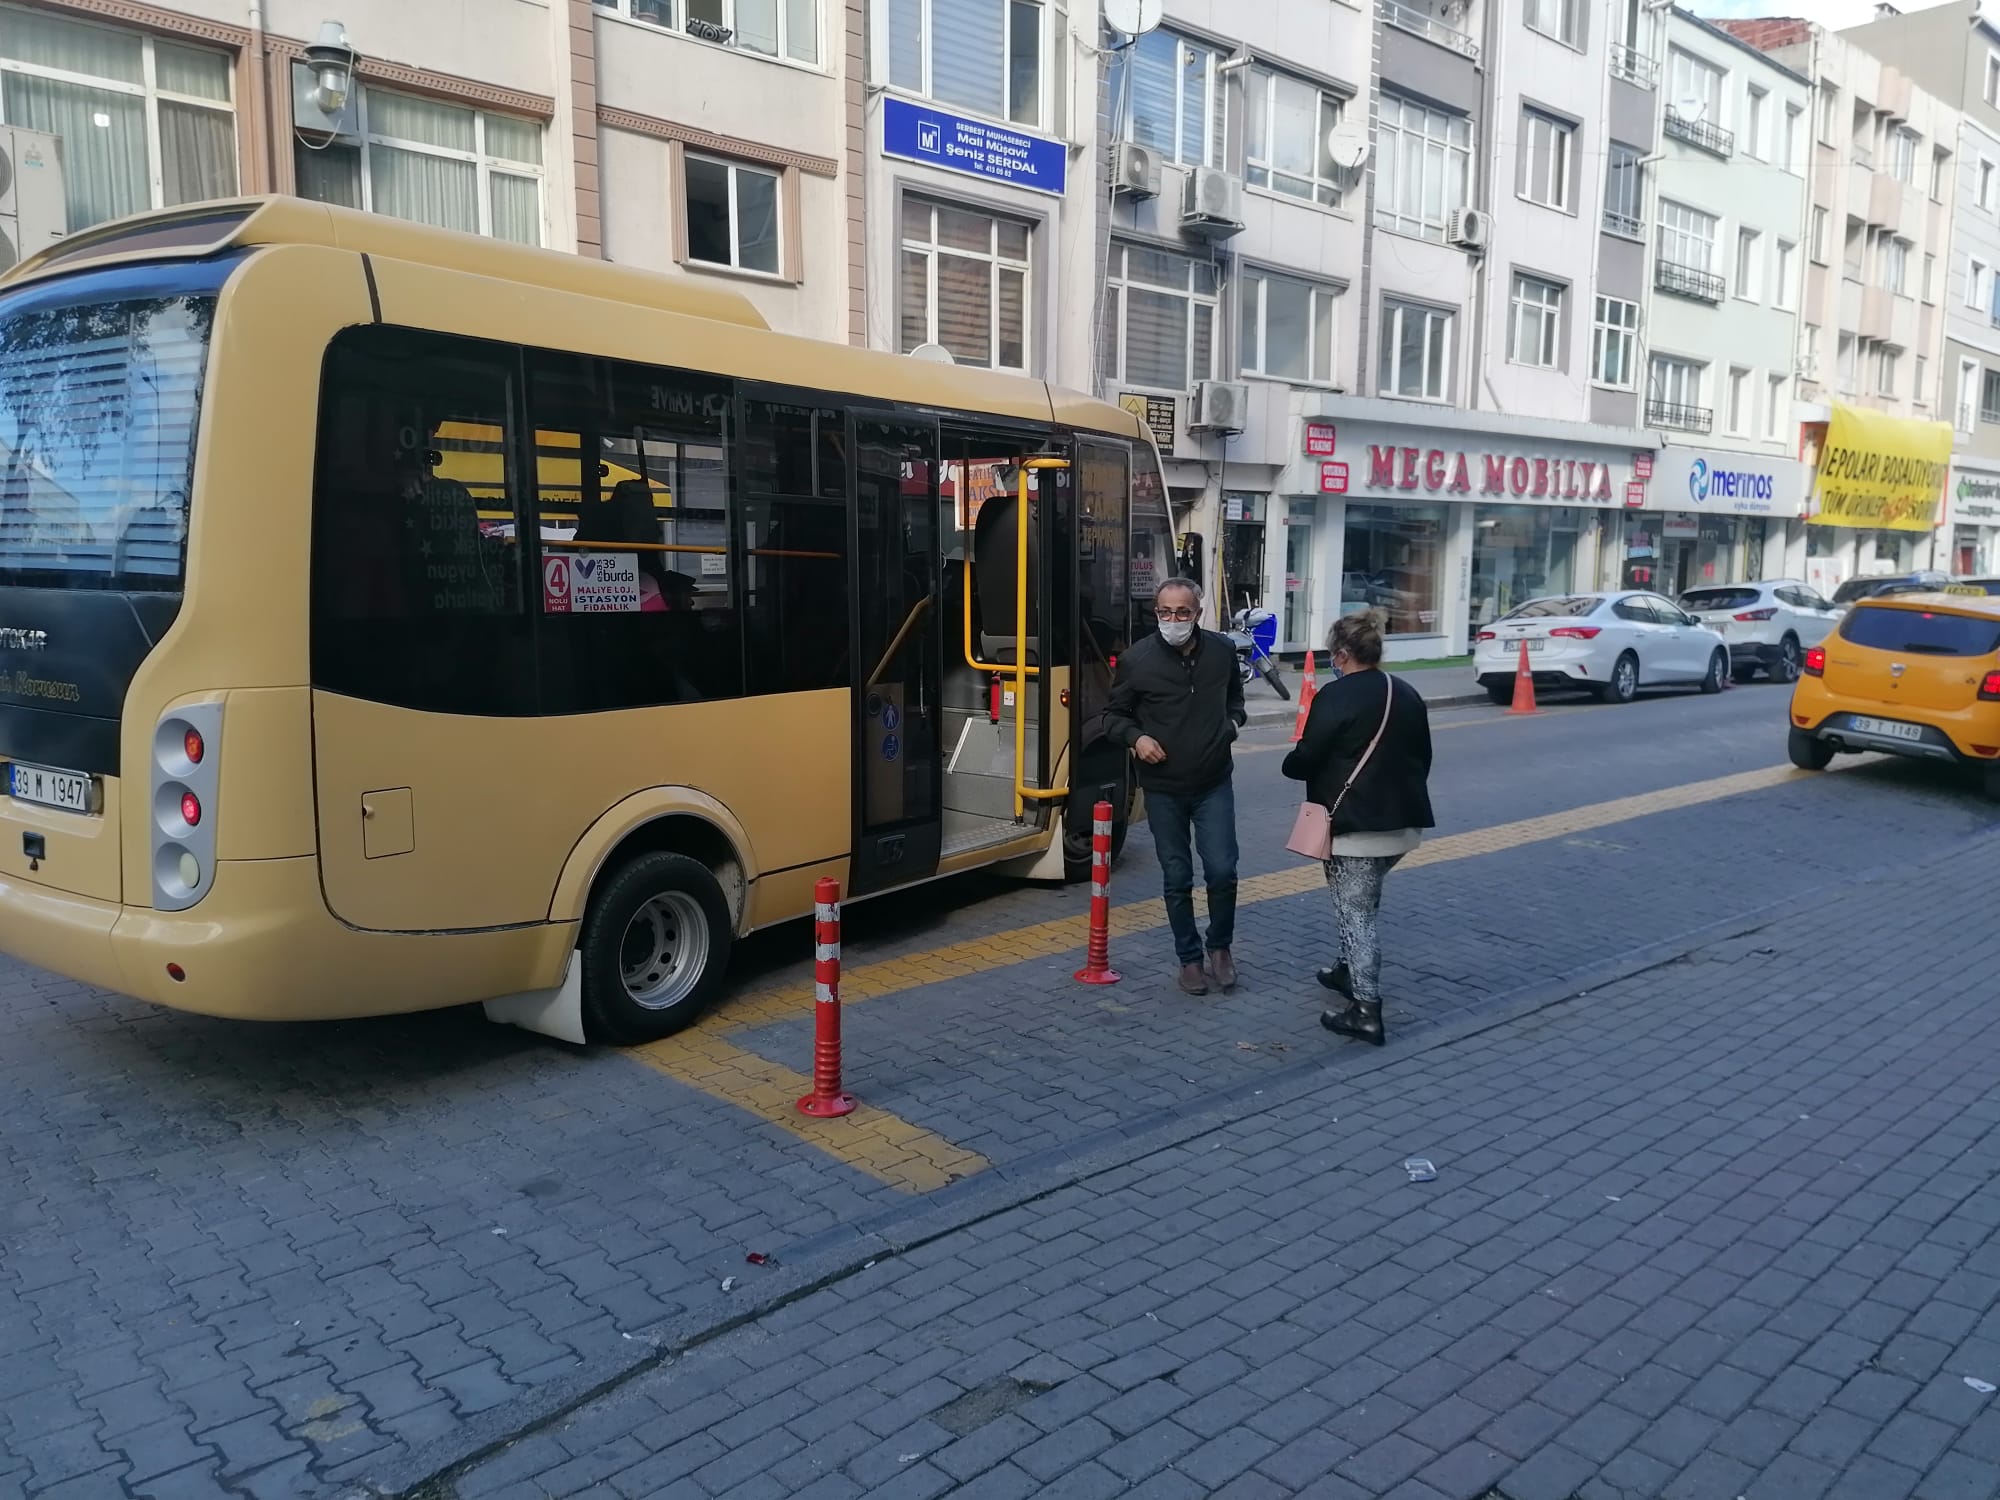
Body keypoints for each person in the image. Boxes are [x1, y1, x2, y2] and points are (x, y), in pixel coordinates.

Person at [1281, 611, 1435, 1046]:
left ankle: (1366, 1009)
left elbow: (1307, 757)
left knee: (1358, 915)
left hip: (1355, 827)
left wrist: (1291, 762)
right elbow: (1423, 758)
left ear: (1342, 654)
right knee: (1361, 901)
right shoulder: (1406, 692)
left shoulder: (1336, 695)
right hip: (1403, 824)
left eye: (1334, 654)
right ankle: (1347, 968)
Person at [1105, 577, 1246, 995]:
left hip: (1213, 782)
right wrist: (1137, 738)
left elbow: (1235, 700)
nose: (1173, 620)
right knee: (1177, 875)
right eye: (1164, 613)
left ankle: (1220, 948)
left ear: (1198, 613)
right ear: (1156, 613)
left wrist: (1232, 726)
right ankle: (1188, 958)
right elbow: (1112, 717)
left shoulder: (1222, 650)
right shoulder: (1137, 659)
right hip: (1164, 788)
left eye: (1182, 612)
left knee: (1222, 870)